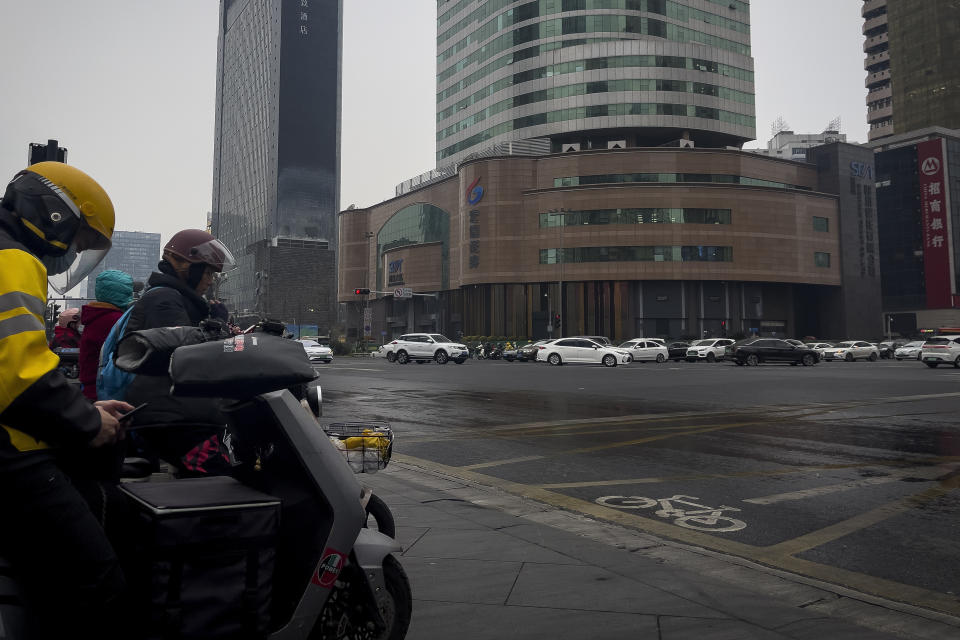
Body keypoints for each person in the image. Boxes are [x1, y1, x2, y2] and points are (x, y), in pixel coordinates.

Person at [0, 161, 134, 637]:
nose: (74, 252)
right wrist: (88, 423)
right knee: (97, 582)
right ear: (54, 215)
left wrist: (84, 408)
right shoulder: (14, 259)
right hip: (12, 457)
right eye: (79, 239)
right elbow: (20, 378)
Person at [123, 228, 236, 470]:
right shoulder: (164, 300)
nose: (209, 280)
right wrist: (220, 327)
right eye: (206, 272)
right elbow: (189, 356)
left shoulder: (175, 298)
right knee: (221, 479)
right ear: (186, 266)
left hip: (178, 411)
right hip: (171, 416)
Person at [79, 270, 134, 401]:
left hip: (88, 388)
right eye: (129, 291)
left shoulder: (95, 316)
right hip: (103, 393)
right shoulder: (116, 320)